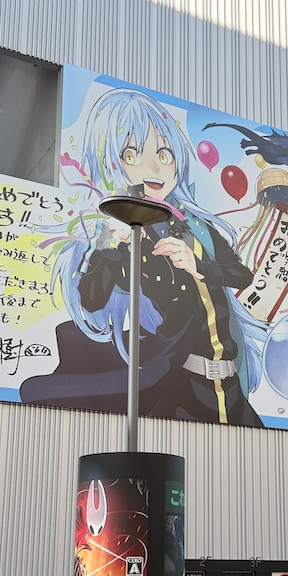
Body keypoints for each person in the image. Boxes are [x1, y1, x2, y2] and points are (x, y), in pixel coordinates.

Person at [21, 87, 268, 426]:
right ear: (110, 163)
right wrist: (111, 245)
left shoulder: (197, 227)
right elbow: (92, 299)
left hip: (231, 390)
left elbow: (242, 274)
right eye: (130, 154)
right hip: (181, 389)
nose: (154, 167)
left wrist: (197, 265)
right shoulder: (124, 233)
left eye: (164, 154)